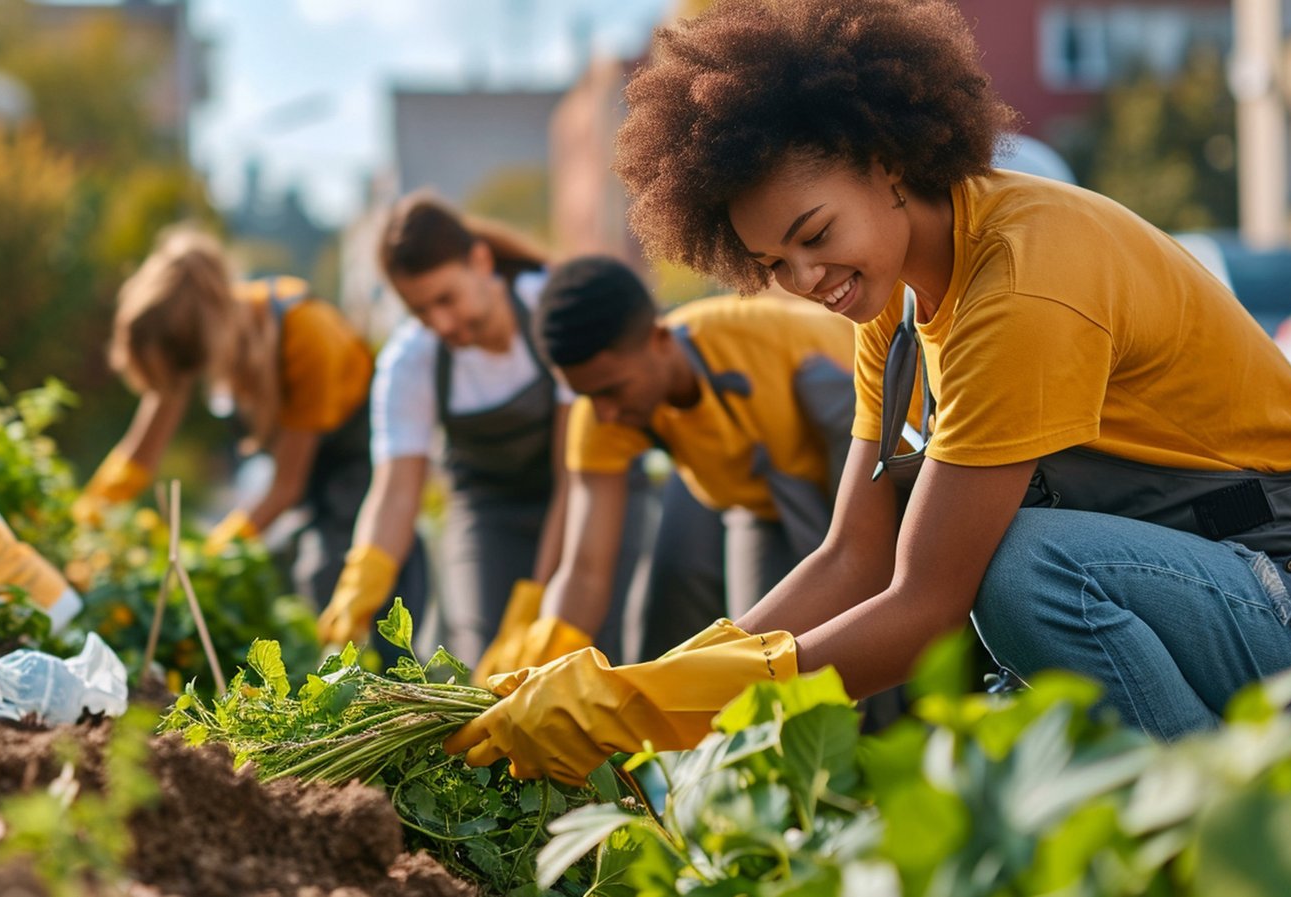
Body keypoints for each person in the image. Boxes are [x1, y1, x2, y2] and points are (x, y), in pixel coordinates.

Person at [446, 0, 1291, 785]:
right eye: (770, 262)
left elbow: (925, 603)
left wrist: (653, 710)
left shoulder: (1022, 280)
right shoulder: (897, 319)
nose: (804, 277)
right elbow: (852, 556)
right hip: (1189, 583)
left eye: (814, 232)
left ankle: (1224, 817)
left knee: (1024, 568)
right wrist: (657, 681)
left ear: (885, 163)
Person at [476, 255, 859, 680]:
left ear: (660, 340)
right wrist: (542, 666)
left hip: (864, 472)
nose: (604, 413)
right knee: (758, 667)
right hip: (759, 506)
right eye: (587, 396)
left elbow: (859, 542)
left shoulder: (761, 341)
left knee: (852, 658)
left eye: (612, 390)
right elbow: (585, 569)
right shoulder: (604, 411)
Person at [317, 195, 647, 661]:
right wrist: (362, 578)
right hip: (491, 512)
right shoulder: (411, 360)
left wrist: (536, 598)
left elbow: (573, 478)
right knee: (482, 660)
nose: (441, 323)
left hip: (592, 492)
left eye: (446, 299)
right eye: (421, 311)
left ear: (480, 260)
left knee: (586, 650)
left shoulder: (552, 310)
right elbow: (394, 491)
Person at [73, 227, 418, 616]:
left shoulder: (306, 335)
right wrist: (81, 524)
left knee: (322, 580)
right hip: (307, 485)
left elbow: (286, 488)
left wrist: (204, 563)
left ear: (208, 342)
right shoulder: (196, 338)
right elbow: (140, 454)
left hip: (362, 474)